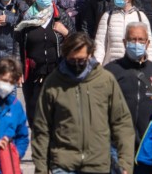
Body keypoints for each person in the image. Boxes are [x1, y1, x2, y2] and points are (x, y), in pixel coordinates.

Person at [31, 32, 137, 174]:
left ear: (90, 55)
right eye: (72, 60)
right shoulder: (53, 83)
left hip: (98, 164)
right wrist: (41, 169)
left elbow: (121, 122)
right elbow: (41, 129)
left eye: (81, 60)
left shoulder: (105, 80)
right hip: (63, 165)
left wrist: (125, 164)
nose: (76, 64)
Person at [105, 21, 152, 172]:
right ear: (124, 42)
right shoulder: (111, 70)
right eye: (132, 39)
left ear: (147, 43)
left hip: (148, 147)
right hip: (118, 147)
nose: (137, 43)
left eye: (141, 40)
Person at [14, 0, 73, 126]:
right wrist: (17, 68)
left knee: (55, 114)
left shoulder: (61, 16)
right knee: (34, 115)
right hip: (33, 73)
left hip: (56, 71)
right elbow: (17, 43)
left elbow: (76, 41)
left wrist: (65, 32)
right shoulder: (26, 16)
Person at [95, 0, 152, 64]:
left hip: (134, 68)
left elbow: (149, 48)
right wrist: (97, 67)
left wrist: (151, 68)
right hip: (112, 68)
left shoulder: (140, 17)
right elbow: (99, 44)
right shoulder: (108, 16)